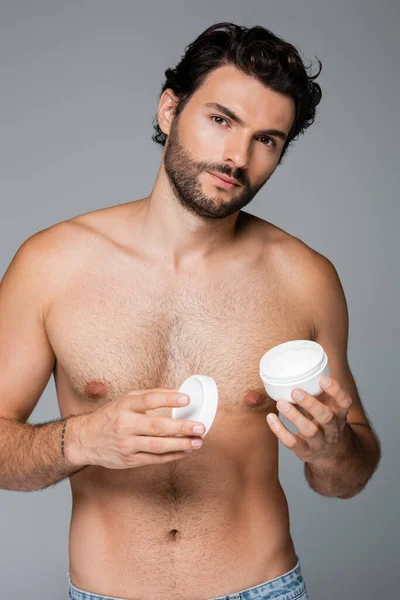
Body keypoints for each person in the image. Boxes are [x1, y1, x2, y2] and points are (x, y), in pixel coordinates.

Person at [0, 21, 381, 600]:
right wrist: (81, 441)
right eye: (221, 119)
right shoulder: (51, 264)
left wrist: (333, 451)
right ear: (169, 109)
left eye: (267, 139)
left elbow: (348, 474)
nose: (237, 155)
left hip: (264, 589)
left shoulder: (305, 278)